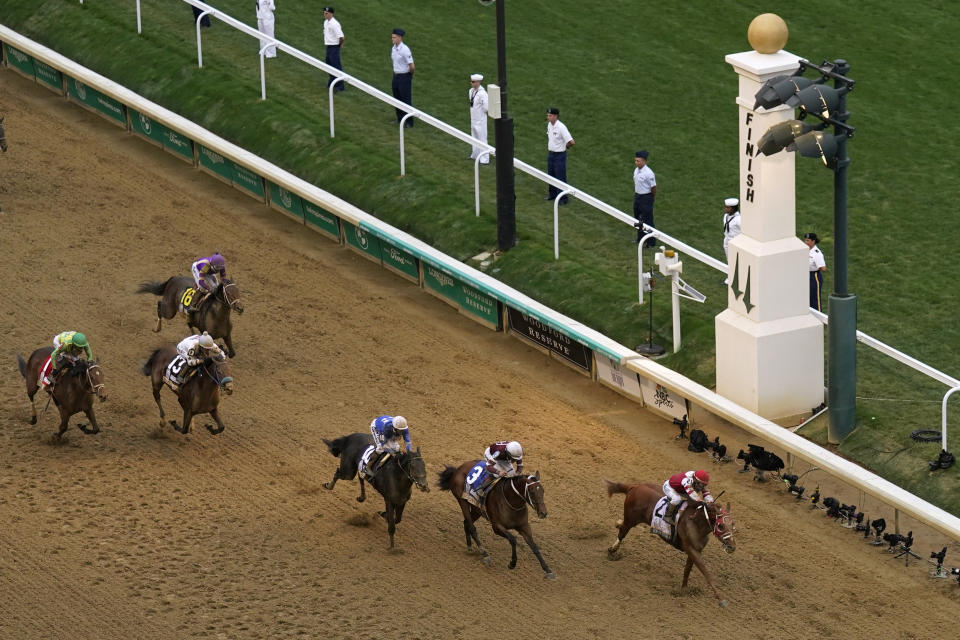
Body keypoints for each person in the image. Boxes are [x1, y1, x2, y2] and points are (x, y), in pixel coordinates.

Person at [364, 415, 412, 479]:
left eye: (402, 430)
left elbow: (407, 441)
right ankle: (367, 467)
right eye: (400, 430)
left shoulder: (404, 428)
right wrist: (392, 452)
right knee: (380, 449)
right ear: (395, 428)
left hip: (390, 430)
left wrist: (409, 453)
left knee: (396, 448)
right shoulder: (387, 428)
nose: (402, 432)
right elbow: (383, 445)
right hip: (377, 427)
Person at [545, 108, 574, 204]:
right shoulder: (549, 125)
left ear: (555, 116)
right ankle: (552, 194)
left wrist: (566, 147)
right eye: (547, 115)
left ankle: (563, 198)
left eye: (550, 115)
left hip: (559, 156)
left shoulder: (561, 127)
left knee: (560, 177)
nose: (548, 117)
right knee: (551, 175)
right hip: (551, 154)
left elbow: (571, 142)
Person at [390, 29, 415, 127]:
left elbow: (412, 66)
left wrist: (409, 76)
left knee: (405, 99)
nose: (392, 39)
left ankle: (409, 122)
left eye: (394, 37)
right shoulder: (393, 48)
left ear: (400, 38)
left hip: (404, 77)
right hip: (396, 76)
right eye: (392, 37)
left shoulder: (405, 49)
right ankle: (400, 119)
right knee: (397, 98)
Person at [633, 150, 657, 247]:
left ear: (644, 161)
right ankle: (640, 239)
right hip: (638, 196)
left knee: (647, 220)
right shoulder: (636, 170)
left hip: (646, 197)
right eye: (635, 161)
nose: (636, 163)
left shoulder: (649, 173)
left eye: (638, 161)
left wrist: (651, 198)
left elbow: (654, 187)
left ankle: (651, 242)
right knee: (638, 219)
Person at [322, 7, 345, 92]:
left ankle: (340, 86)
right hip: (328, 47)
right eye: (324, 13)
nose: (325, 15)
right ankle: (332, 81)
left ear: (332, 14)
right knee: (329, 65)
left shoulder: (335, 24)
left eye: (326, 13)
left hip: (334, 47)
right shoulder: (326, 22)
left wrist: (339, 45)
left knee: (336, 66)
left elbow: (341, 37)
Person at [468, 73, 489, 164]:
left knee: (482, 138)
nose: (471, 83)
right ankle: (475, 155)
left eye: (473, 82)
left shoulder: (483, 94)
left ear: (478, 82)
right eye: (471, 81)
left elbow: (486, 107)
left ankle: (484, 159)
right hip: (473, 118)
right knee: (474, 137)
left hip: (480, 120)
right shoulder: (471, 91)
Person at [804, 232, 827, 311]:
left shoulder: (816, 253)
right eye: (805, 240)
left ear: (813, 241)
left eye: (808, 240)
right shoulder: (805, 249)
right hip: (805, 275)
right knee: (807, 298)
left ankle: (818, 317)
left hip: (814, 277)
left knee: (814, 298)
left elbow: (823, 268)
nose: (806, 242)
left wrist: (813, 267)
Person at [722, 197, 741, 283]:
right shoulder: (726, 216)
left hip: (735, 242)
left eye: (727, 207)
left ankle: (735, 278)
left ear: (733, 208)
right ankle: (730, 277)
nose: (725, 209)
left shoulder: (739, 220)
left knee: (736, 260)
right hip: (727, 240)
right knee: (729, 260)